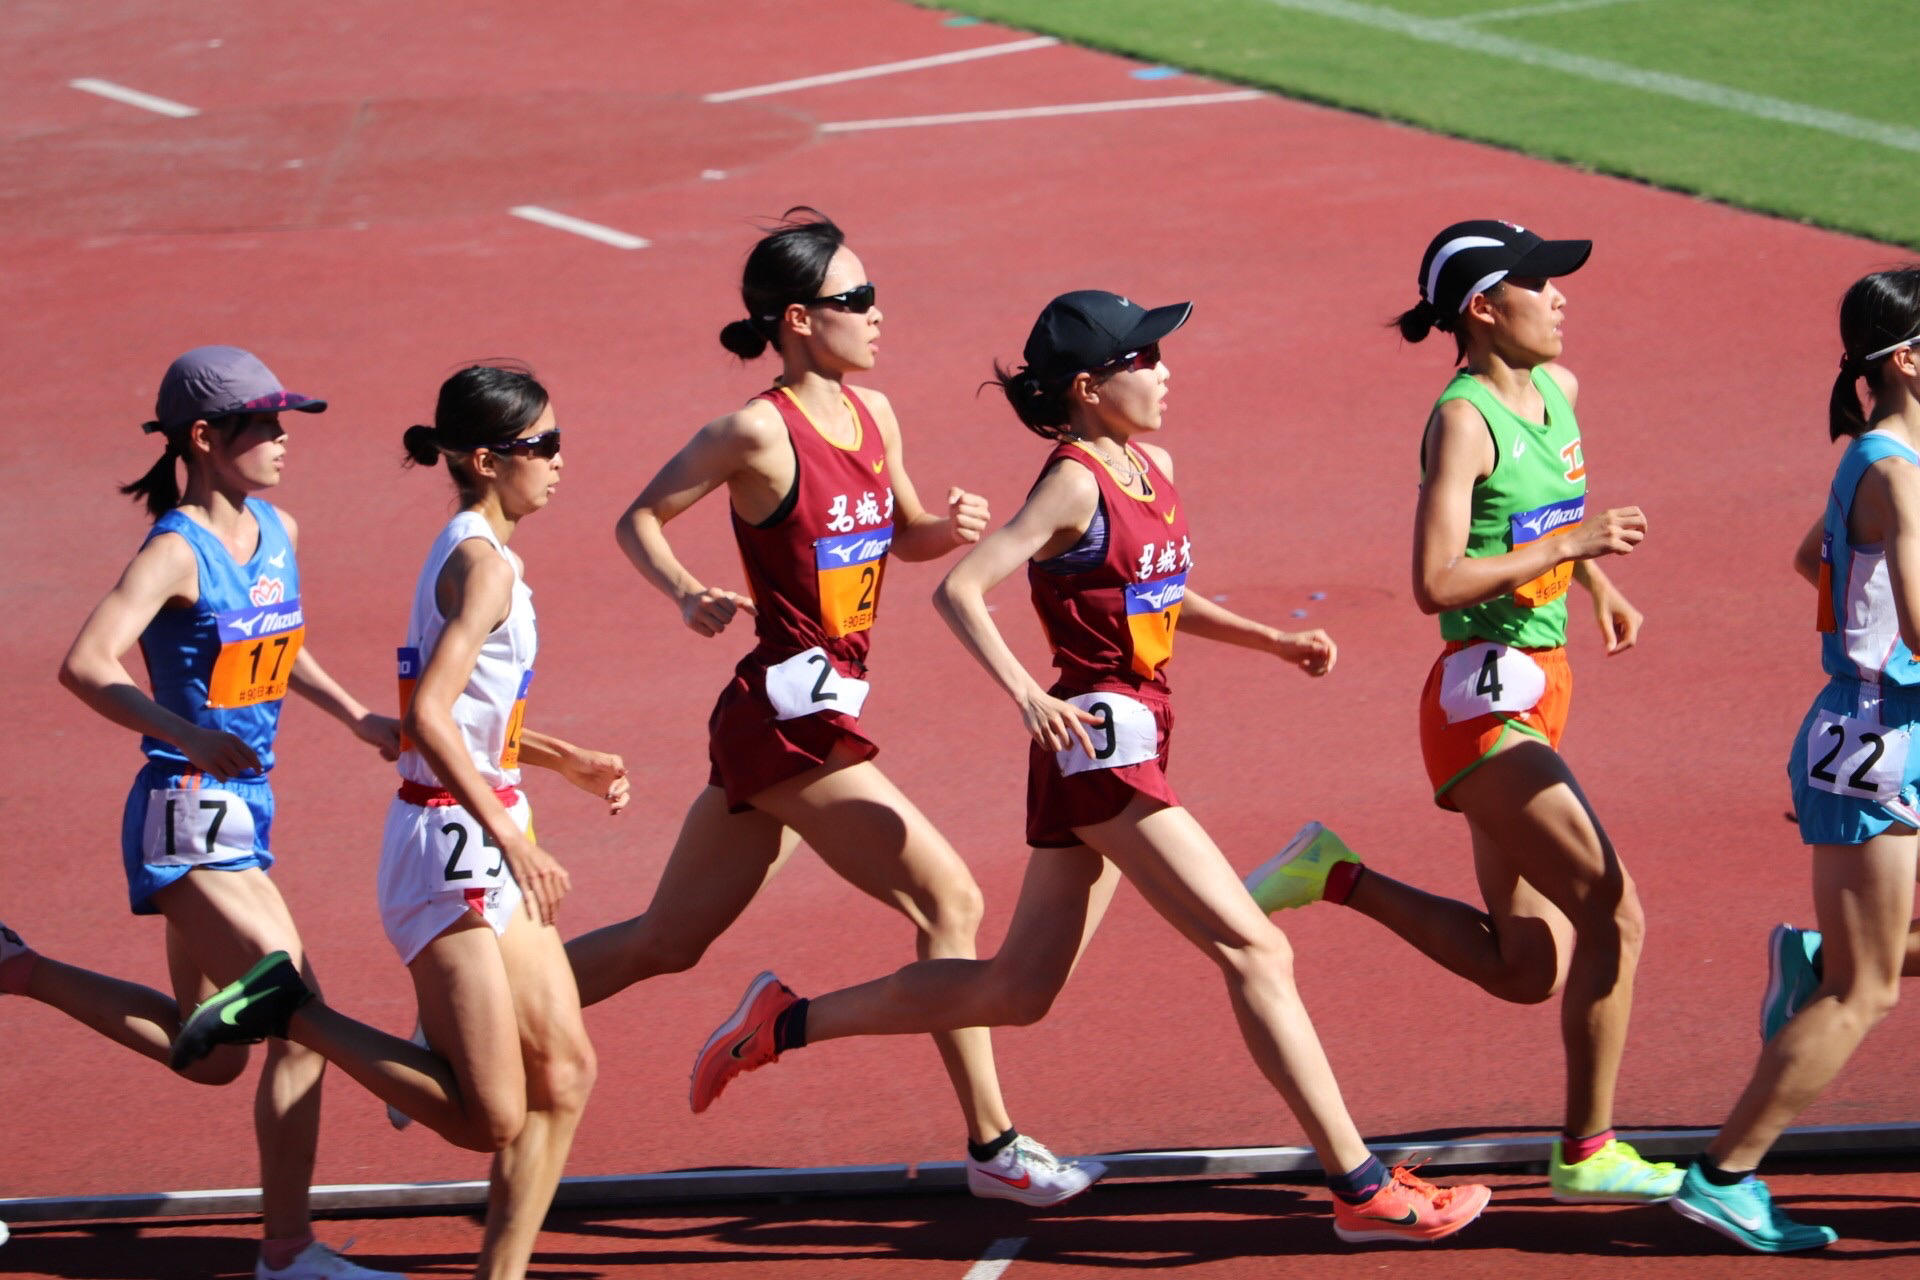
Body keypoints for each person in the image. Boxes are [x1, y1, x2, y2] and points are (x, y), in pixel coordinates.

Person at [685, 289, 1494, 1244]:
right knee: (1256, 949)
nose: (1163, 372)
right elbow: (961, 587)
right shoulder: (1070, 482)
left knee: (1017, 991)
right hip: (1101, 752)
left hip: (1136, 738)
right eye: (1143, 359)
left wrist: (1270, 641)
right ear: (1089, 387)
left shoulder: (1152, 464)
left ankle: (779, 1025)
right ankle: (1361, 1190)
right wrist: (1030, 693)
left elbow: (1160, 592)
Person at [561, 209, 1098, 1204]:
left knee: (665, 940)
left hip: (797, 719)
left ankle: (471, 1016)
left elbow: (899, 532)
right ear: (801, 319)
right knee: (950, 899)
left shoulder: (877, 413)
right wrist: (684, 587)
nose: (878, 313)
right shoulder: (754, 432)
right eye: (858, 300)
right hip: (787, 721)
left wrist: (945, 527)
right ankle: (995, 1144)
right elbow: (638, 516)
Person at [1243, 220, 1681, 1206]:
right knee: (1615, 908)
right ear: (1483, 307)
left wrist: (1593, 576)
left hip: (1544, 683)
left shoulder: (1558, 392)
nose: (1561, 296)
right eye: (1540, 282)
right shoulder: (1464, 418)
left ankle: (1335, 872)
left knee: (1525, 966)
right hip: (1482, 703)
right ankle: (1588, 1148)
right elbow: (1435, 577)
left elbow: (1548, 514)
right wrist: (1573, 543)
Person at [173, 363, 631, 1280]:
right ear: (482, 460)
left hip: (487, 817)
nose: (558, 462)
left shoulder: (475, 550)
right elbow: (426, 721)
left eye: (558, 440)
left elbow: (462, 718)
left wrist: (562, 758)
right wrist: (512, 840)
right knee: (488, 1117)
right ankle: (290, 1010)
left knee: (568, 1075)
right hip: (448, 846)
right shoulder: (481, 565)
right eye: (540, 446)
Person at [0, 346, 406, 1279]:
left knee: (216, 1059)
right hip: (185, 810)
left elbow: (279, 641)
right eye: (263, 424)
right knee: (297, 1015)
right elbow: (86, 663)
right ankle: (287, 1252)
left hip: (247, 807)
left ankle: (18, 969)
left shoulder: (277, 527)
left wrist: (355, 718)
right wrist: (179, 731)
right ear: (203, 438)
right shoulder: (174, 550)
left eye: (282, 419)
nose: (282, 438)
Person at [1670, 267, 1920, 1252]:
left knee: (1861, 967)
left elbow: (1814, 554)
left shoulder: (1879, 458)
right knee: (1870, 993)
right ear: (1907, 358)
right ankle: (1725, 1172)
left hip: (1880, 722)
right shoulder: (1895, 470)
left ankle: (1814, 959)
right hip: (1878, 736)